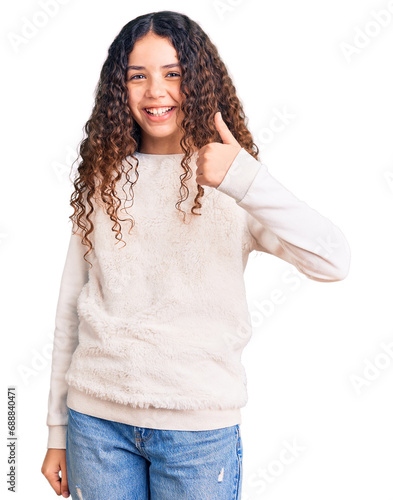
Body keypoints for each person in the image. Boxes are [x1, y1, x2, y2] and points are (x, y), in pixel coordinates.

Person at [40, 10, 351, 500]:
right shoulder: (105, 178)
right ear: (119, 89)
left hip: (198, 433)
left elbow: (333, 260)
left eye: (173, 74)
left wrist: (246, 180)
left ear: (199, 81)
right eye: (137, 76)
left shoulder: (234, 180)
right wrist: (56, 430)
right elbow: (70, 307)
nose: (155, 91)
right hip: (96, 424)